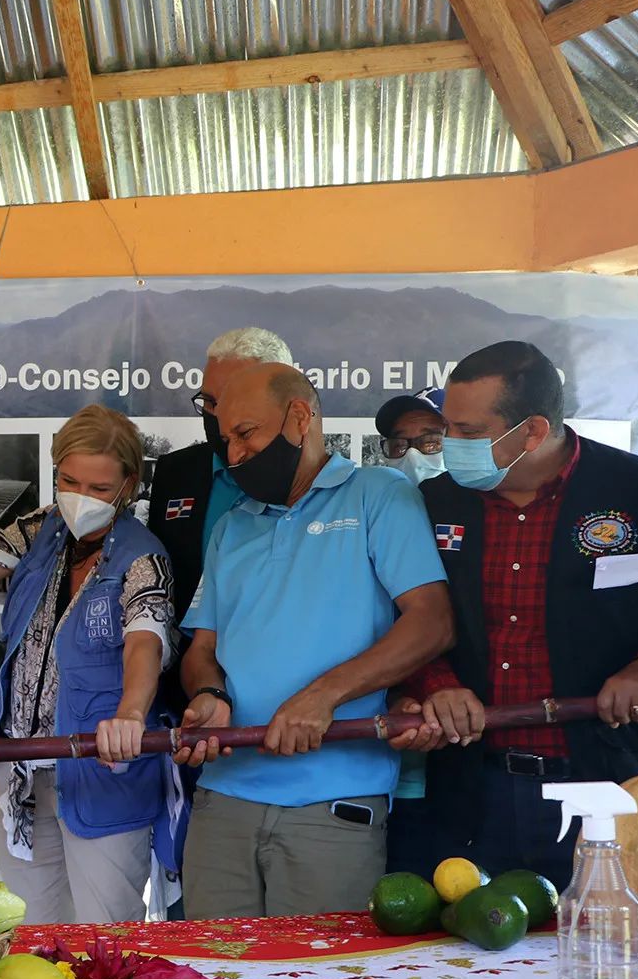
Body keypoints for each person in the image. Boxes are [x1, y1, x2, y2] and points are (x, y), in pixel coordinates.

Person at [394, 342, 638, 888]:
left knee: (619, 946)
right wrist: (435, 683)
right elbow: (408, 620)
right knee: (472, 955)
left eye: (469, 433)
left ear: (534, 432)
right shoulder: (433, 503)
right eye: (447, 429)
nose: (449, 446)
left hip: (620, 787)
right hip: (474, 793)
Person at [176, 364, 453, 918]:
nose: (233, 455)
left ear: (299, 417)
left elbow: (431, 622)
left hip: (334, 803)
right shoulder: (233, 525)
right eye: (226, 438)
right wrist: (211, 696)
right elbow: (201, 649)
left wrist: (322, 696)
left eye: (246, 433)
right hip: (222, 797)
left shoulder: (380, 495)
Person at [0, 405, 179, 924]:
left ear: (130, 484)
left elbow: (145, 641)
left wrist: (130, 714)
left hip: (100, 775)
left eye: (100, 488)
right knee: (31, 935)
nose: (82, 497)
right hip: (21, 771)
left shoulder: (144, 555)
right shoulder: (40, 529)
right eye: (69, 480)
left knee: (106, 935)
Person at [147, 327, 293, 710]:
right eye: (208, 400)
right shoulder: (175, 473)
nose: (215, 414)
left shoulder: (318, 485)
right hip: (190, 693)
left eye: (228, 399)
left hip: (290, 696)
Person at [372, 387, 448, 878]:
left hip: (464, 752)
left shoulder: (478, 519)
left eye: (432, 439)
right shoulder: (374, 520)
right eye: (401, 444)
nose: (415, 456)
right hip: (389, 761)